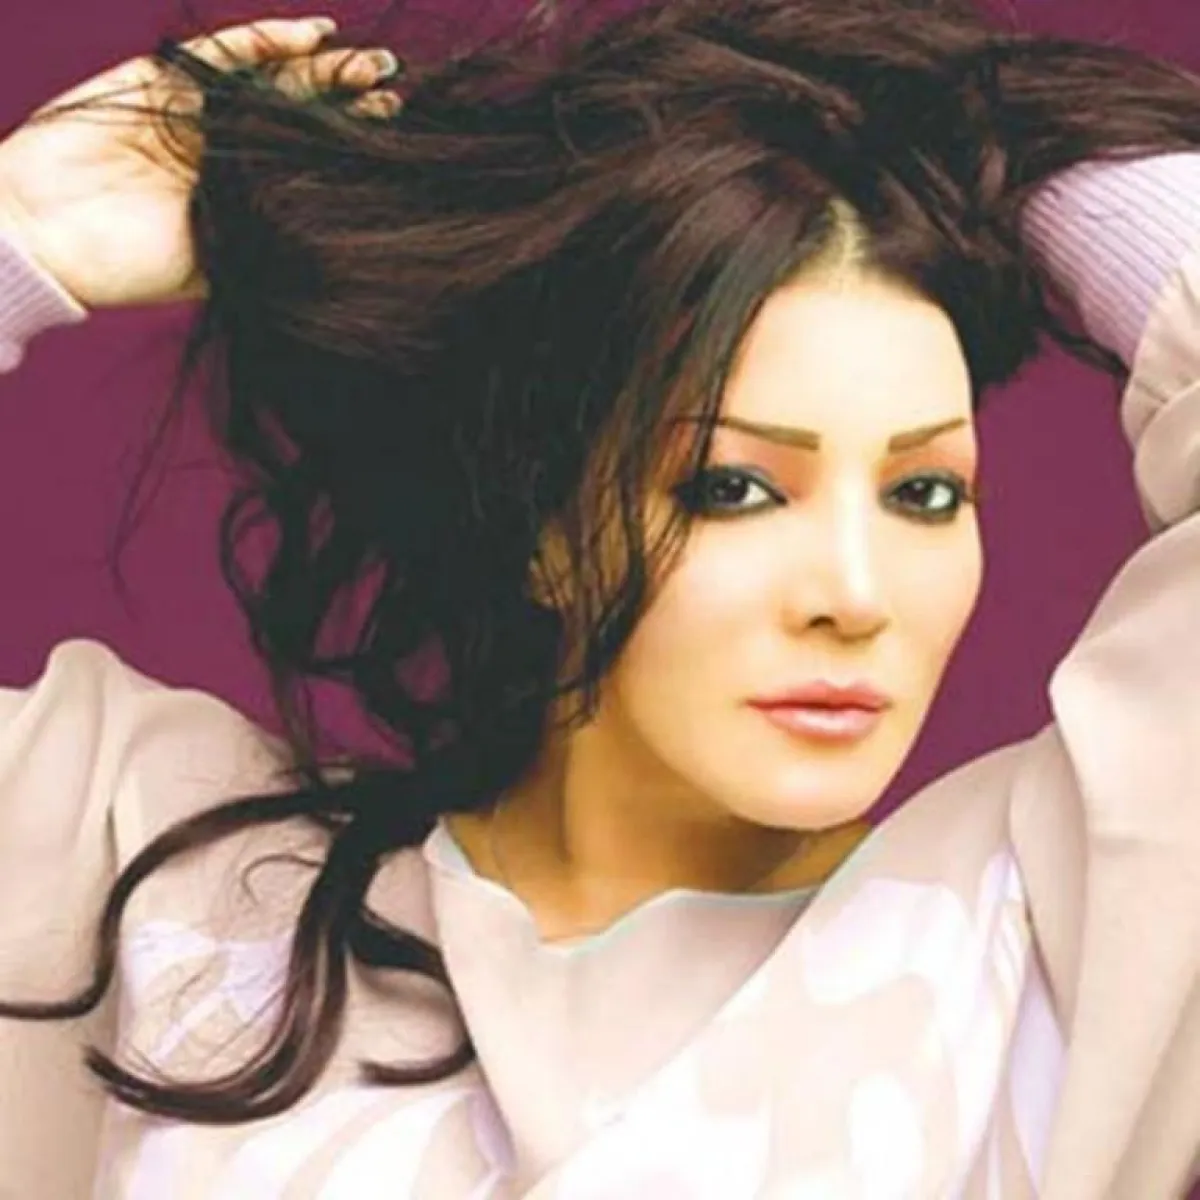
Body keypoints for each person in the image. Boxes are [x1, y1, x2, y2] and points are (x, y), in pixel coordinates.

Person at [0, 0, 1197, 1194]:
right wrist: (27, 230)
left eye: (924, 494)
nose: (855, 592)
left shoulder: (1058, 938)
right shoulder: (149, 864)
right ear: (544, 523)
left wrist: (995, 122)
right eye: (732, 488)